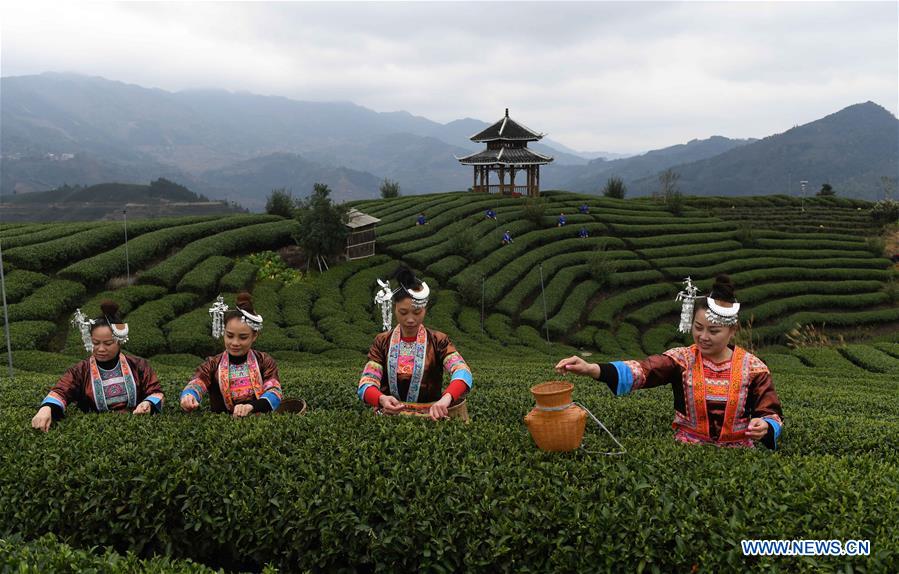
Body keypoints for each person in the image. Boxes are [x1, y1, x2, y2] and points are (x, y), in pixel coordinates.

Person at [554, 275, 784, 450]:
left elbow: (770, 412)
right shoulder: (682, 359)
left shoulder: (754, 368)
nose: (703, 337)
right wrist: (591, 369)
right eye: (698, 327)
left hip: (739, 452)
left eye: (714, 331)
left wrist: (765, 426)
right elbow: (643, 370)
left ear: (732, 331)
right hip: (687, 448)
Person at [358, 267, 473, 421]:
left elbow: (462, 371)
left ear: (425, 310)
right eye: (403, 312)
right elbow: (366, 382)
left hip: (431, 417)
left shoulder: (438, 340)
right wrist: (381, 399)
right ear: (395, 308)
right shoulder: (382, 341)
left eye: (417, 312)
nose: (410, 319)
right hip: (389, 418)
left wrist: (446, 398)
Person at [31, 301, 164, 432]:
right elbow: (62, 390)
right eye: (95, 342)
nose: (100, 349)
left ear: (119, 342)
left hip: (135, 429)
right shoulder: (80, 370)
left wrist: (148, 404)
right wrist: (46, 408)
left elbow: (155, 392)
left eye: (108, 343)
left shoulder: (138, 365)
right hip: (95, 431)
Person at [180, 293, 283, 417]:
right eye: (229, 336)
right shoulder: (213, 364)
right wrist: (189, 395)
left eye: (243, 337)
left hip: (260, 424)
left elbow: (275, 391)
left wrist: (251, 407)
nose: (235, 343)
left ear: (254, 336)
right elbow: (198, 381)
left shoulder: (264, 361)